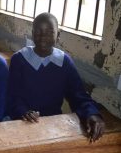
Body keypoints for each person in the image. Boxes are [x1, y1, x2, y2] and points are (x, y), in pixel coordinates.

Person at [7, 12, 105, 142]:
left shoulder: (64, 62)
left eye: (49, 32)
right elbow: (13, 95)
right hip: (22, 121)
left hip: (53, 124)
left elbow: (78, 95)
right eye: (38, 31)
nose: (43, 37)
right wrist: (23, 112)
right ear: (32, 33)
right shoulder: (19, 59)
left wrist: (92, 114)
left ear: (58, 36)